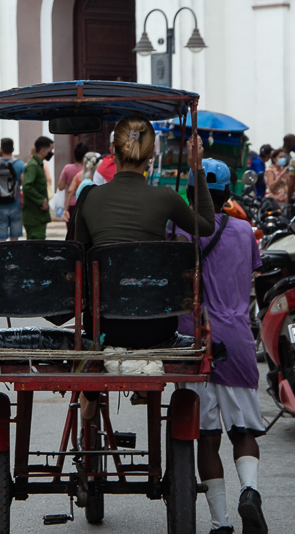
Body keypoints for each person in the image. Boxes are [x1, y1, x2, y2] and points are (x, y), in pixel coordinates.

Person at [72, 120, 215, 449]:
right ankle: (141, 389)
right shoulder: (166, 197)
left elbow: (78, 256)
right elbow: (206, 225)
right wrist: (196, 169)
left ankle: (88, 397)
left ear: (113, 151)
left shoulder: (90, 199)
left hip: (104, 328)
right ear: (151, 155)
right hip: (157, 327)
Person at [171, 158, 268, 534]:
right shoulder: (244, 231)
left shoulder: (175, 231)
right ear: (228, 193)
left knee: (207, 440)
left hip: (193, 341)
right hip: (237, 340)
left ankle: (221, 527)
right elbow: (251, 277)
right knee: (243, 432)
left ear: (190, 194)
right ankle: (250, 491)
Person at [0, 137, 26, 241]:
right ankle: (12, 251)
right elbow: (23, 183)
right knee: (14, 238)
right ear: (13, 149)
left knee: (0, 239)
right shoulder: (20, 164)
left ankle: (2, 251)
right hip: (15, 204)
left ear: (1, 149)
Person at [21, 136, 54, 241]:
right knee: (37, 245)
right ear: (43, 150)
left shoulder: (38, 165)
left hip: (38, 216)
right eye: (50, 150)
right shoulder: (33, 166)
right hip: (34, 216)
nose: (51, 153)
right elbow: (27, 186)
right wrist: (41, 200)